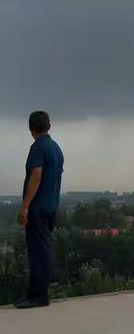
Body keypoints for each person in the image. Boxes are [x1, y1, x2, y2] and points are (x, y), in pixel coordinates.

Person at [15, 111, 64, 309]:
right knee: (43, 251)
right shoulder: (56, 148)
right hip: (51, 207)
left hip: (37, 208)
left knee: (37, 253)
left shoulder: (38, 148)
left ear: (30, 128)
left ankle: (38, 297)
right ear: (49, 126)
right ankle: (34, 294)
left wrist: (25, 206)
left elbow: (36, 175)